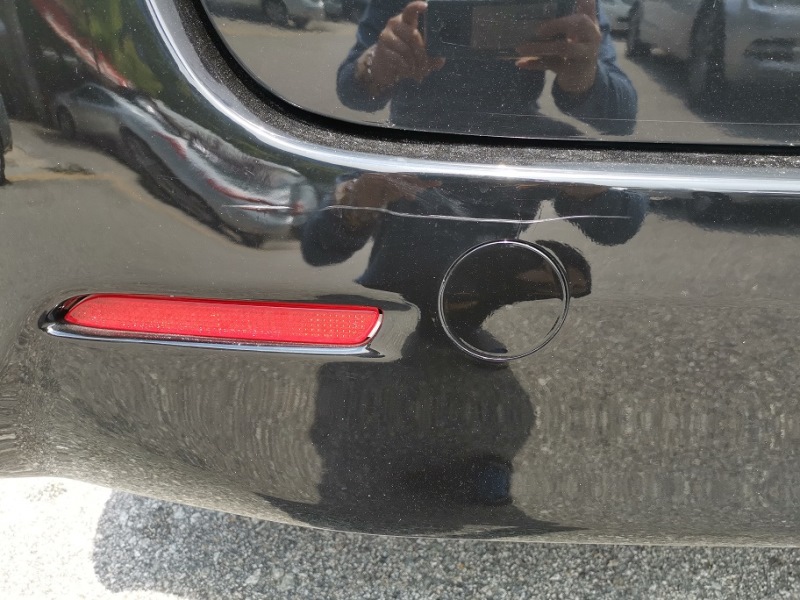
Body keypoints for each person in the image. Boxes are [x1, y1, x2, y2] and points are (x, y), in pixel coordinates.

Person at [337, 0, 637, 136]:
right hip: (417, 154)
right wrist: (376, 63)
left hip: (511, 154)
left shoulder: (577, 5)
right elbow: (350, 89)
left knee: (626, 205)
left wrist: (585, 77)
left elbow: (623, 117)